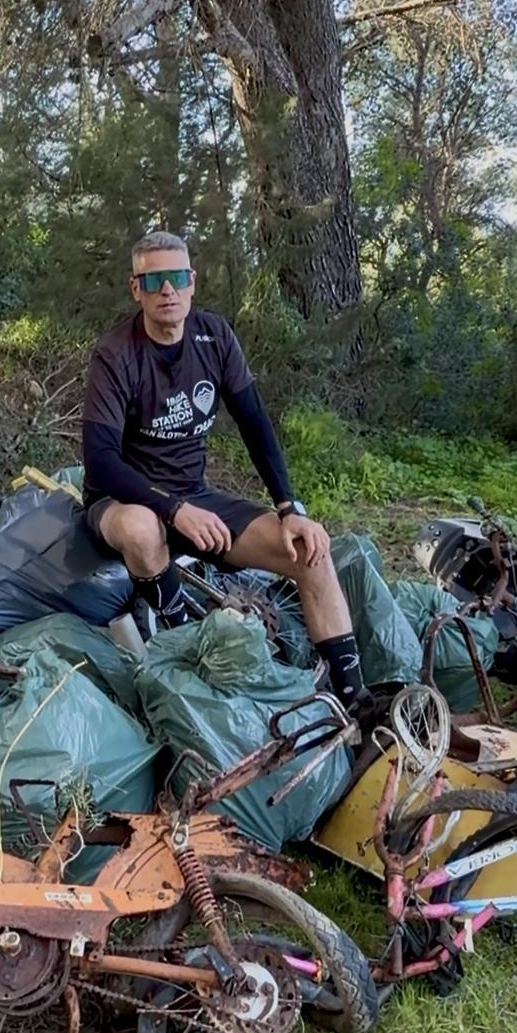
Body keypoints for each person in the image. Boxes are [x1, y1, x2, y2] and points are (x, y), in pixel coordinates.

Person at [82, 229, 368, 712]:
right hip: (124, 501)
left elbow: (255, 423)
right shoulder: (115, 354)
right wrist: (174, 510)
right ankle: (181, 638)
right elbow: (101, 461)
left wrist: (289, 508)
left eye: (176, 278)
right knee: (142, 528)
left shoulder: (214, 336)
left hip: (194, 496)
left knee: (309, 553)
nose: (167, 290)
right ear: (136, 289)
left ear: (192, 282)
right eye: (153, 281)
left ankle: (353, 699)